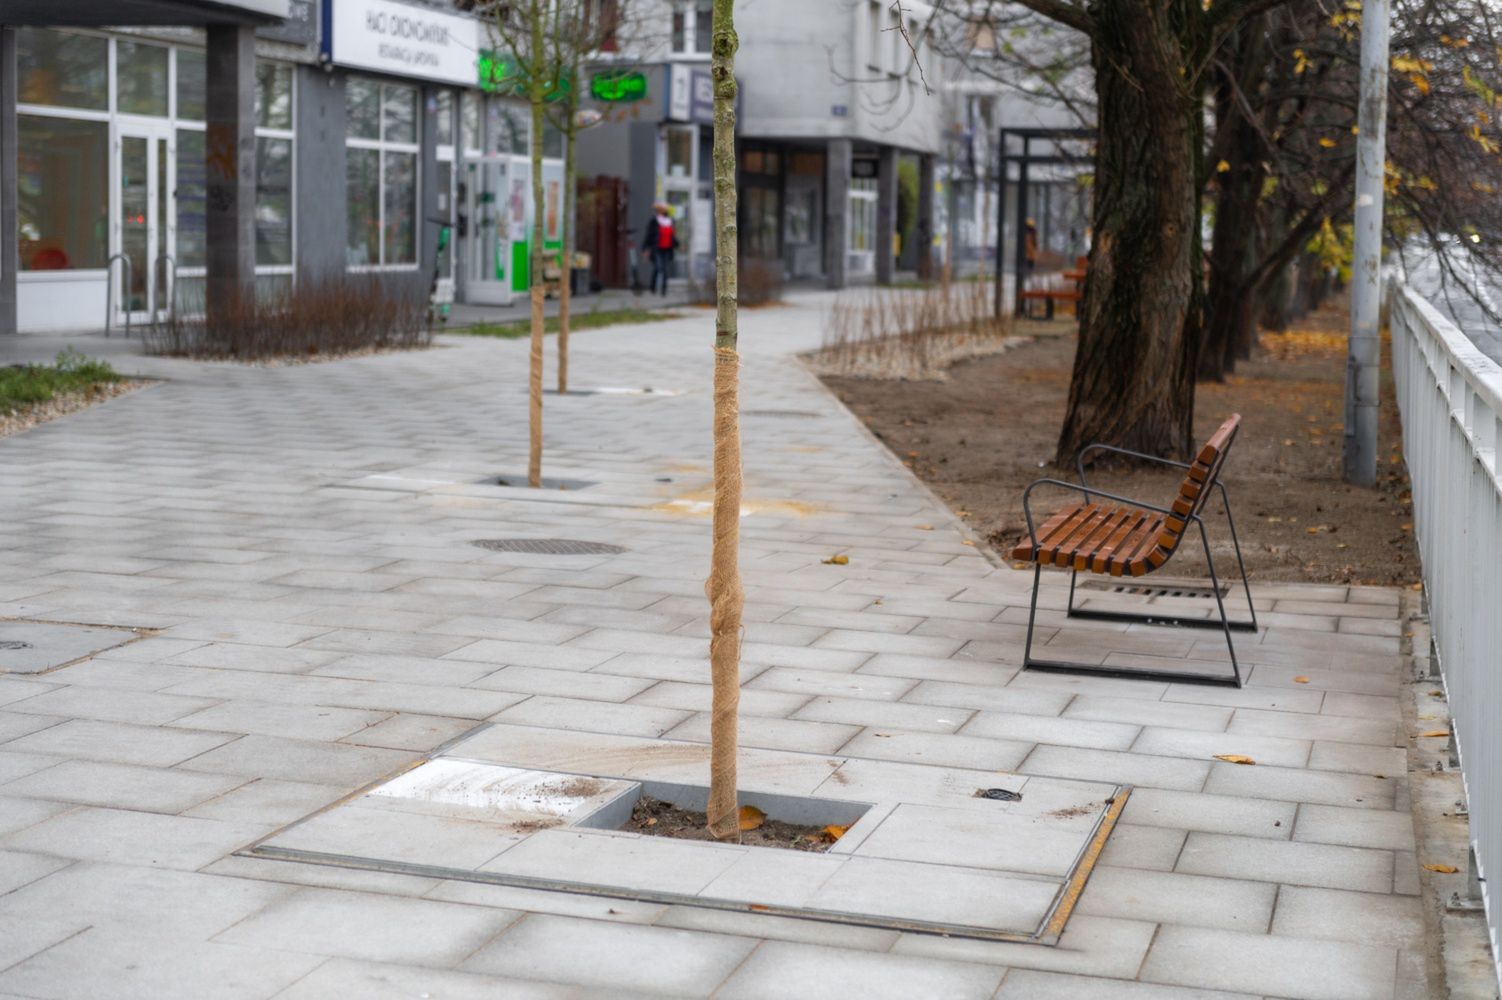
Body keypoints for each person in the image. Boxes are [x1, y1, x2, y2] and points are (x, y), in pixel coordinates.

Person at [641, 202, 678, 296]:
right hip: (657, 248)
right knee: (658, 267)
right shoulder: (654, 221)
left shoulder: (670, 221)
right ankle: (653, 287)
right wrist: (644, 248)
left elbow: (672, 236)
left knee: (665, 269)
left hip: (667, 249)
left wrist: (678, 244)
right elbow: (649, 235)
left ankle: (663, 290)